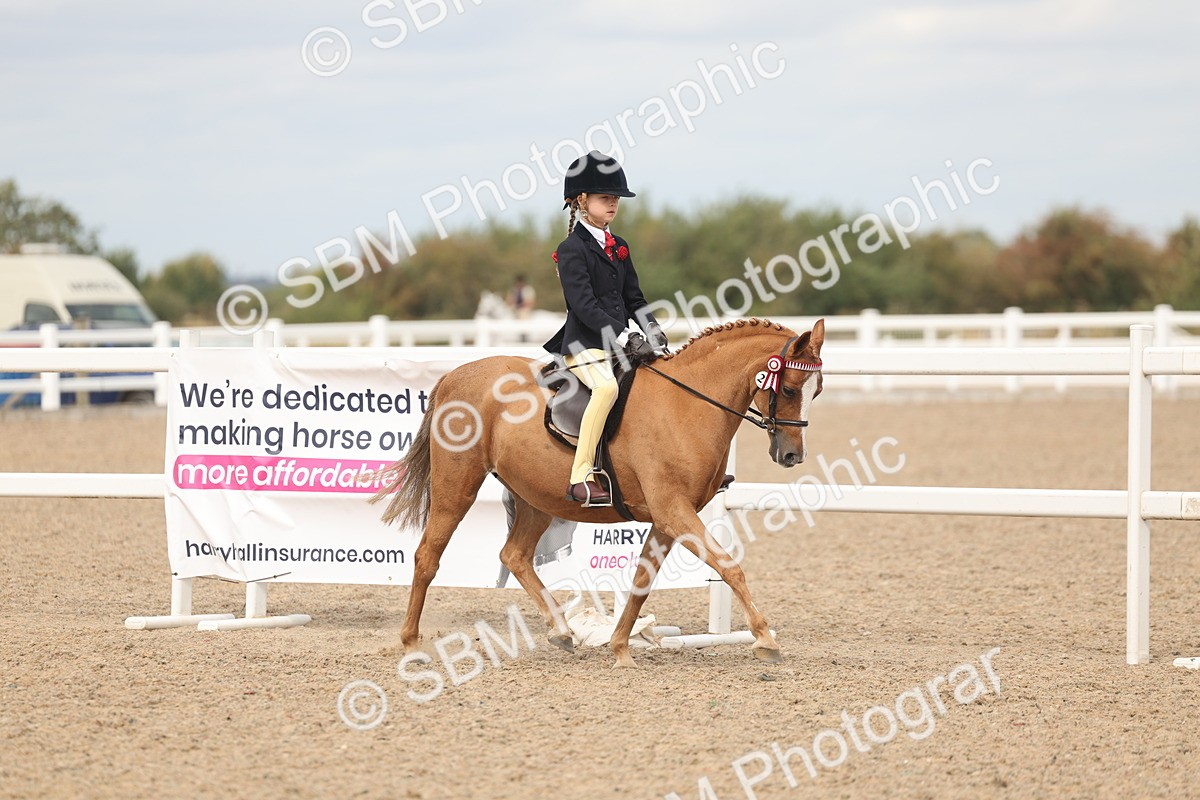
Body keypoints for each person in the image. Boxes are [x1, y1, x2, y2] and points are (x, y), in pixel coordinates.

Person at [543, 151, 668, 506]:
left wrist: (650, 326)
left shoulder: (620, 246)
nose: (613, 203)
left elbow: (633, 297)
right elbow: (584, 306)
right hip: (585, 345)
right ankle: (580, 475)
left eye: (615, 198)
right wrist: (626, 334)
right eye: (604, 197)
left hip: (620, 343)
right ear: (582, 200)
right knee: (606, 390)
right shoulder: (571, 250)